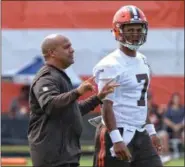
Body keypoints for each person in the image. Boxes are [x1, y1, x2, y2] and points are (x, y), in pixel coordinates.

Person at [28, 34, 119, 167]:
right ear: (52, 53)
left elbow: (74, 110)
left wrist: (98, 97)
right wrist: (77, 92)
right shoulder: (46, 77)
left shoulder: (59, 75)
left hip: (65, 154)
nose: (72, 50)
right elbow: (50, 104)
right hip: (52, 157)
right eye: (67, 47)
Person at [92, 5, 163, 167]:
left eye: (139, 29)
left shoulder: (142, 60)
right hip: (117, 131)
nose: (135, 34)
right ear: (118, 31)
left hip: (140, 131)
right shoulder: (110, 64)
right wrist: (116, 139)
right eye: (130, 30)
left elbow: (141, 100)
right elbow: (106, 105)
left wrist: (151, 131)